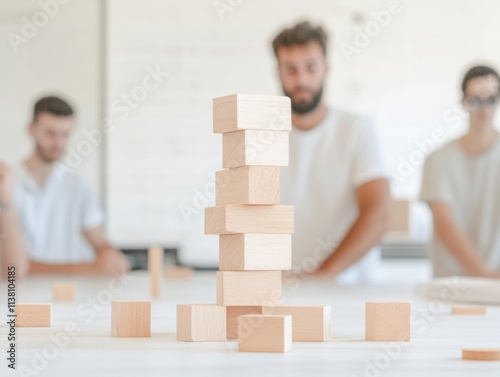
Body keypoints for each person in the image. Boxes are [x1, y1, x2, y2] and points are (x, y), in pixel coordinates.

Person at [273, 22, 391, 283]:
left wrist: (324, 274)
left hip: (347, 289)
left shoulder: (357, 130)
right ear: (278, 73)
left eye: (311, 67)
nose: (301, 80)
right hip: (284, 289)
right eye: (290, 69)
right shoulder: (263, 137)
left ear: (326, 69)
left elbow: (379, 213)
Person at [0, 96, 130, 279]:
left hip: (71, 299)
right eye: (50, 133)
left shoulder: (79, 186)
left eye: (65, 134)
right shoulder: (6, 185)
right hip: (18, 296)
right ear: (31, 129)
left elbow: (100, 244)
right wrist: (88, 269)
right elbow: (11, 268)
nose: (58, 143)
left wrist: (110, 257)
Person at [421, 65, 500, 278]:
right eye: (475, 100)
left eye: (491, 99)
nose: (483, 109)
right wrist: (486, 274)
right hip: (449, 286)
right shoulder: (438, 160)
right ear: (464, 102)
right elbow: (446, 226)